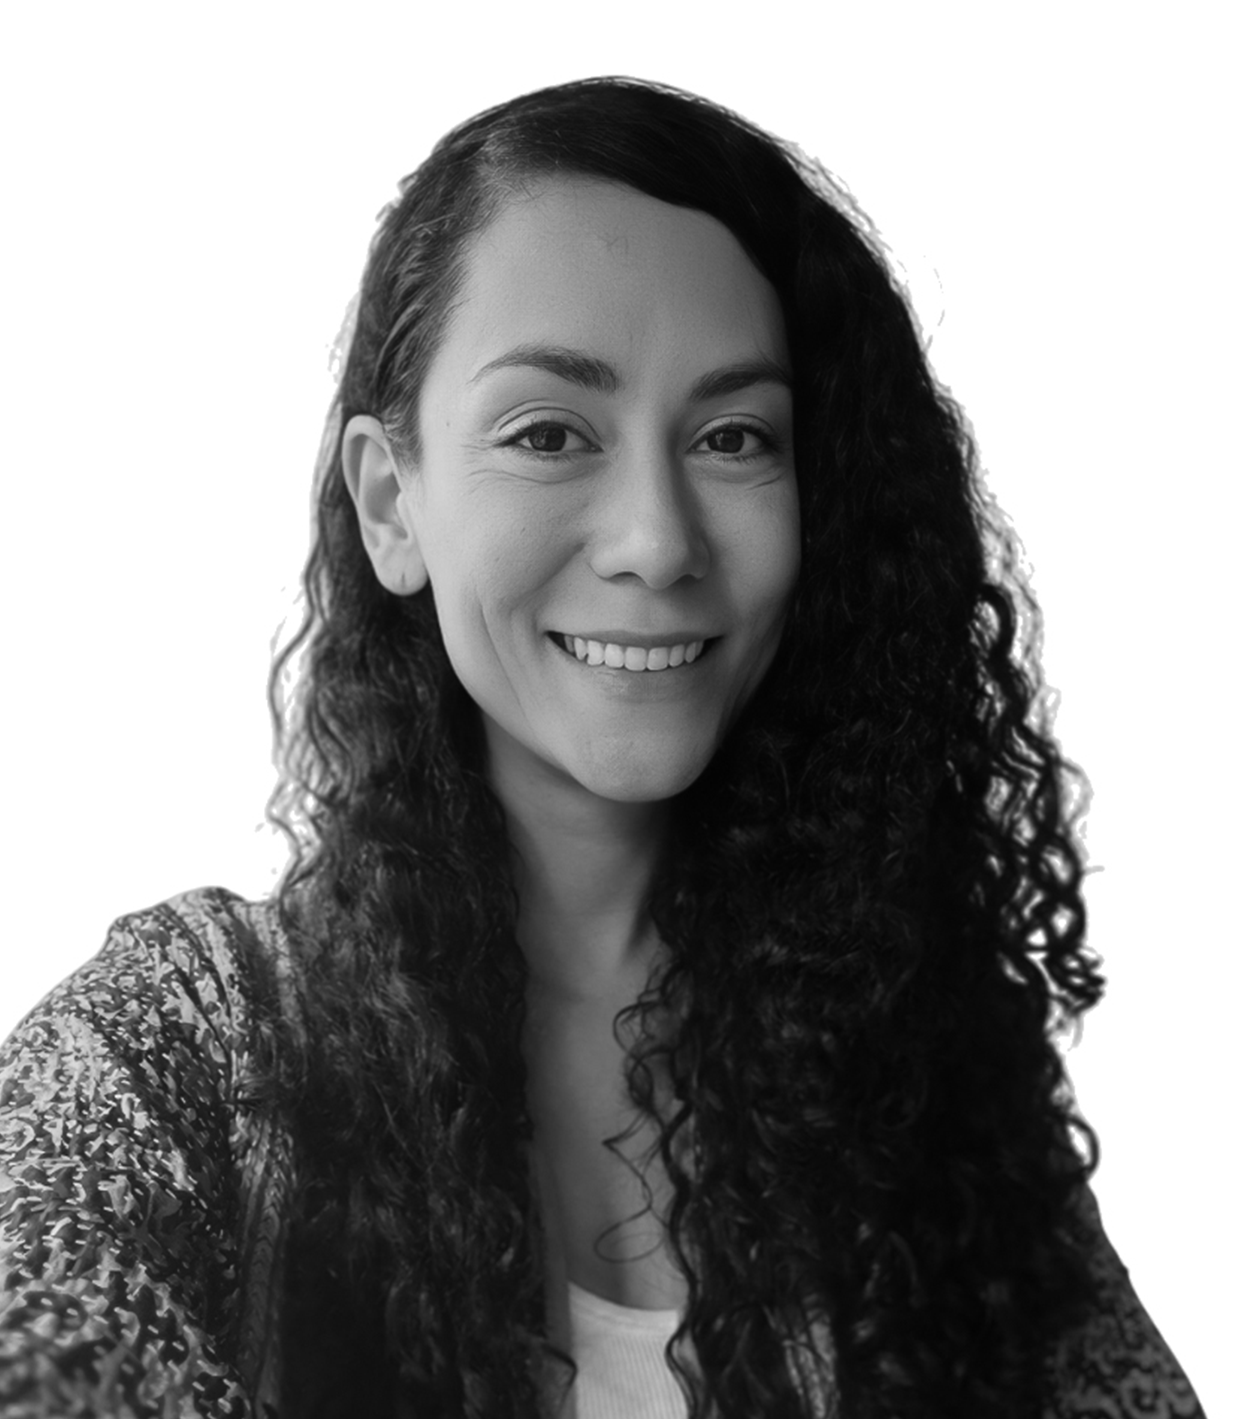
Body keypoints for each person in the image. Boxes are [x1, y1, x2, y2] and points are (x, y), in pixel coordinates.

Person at [0, 76, 1205, 1419]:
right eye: (549, 433)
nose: (656, 538)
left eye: (733, 435)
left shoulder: (930, 1089)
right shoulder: (181, 1045)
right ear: (392, 503)